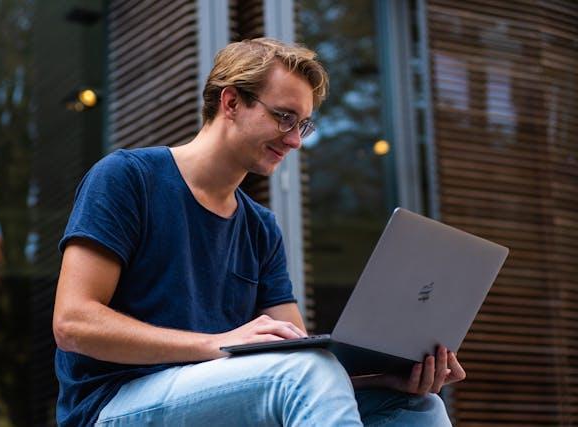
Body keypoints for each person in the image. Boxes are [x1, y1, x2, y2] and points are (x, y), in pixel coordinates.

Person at [52, 38, 465, 426]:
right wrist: (216, 344)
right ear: (231, 101)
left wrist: (383, 378)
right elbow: (73, 324)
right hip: (112, 404)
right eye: (284, 117)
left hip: (218, 396)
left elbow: (301, 361)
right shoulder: (128, 179)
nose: (294, 140)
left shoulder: (260, 227)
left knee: (416, 406)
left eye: (303, 125)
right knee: (305, 369)